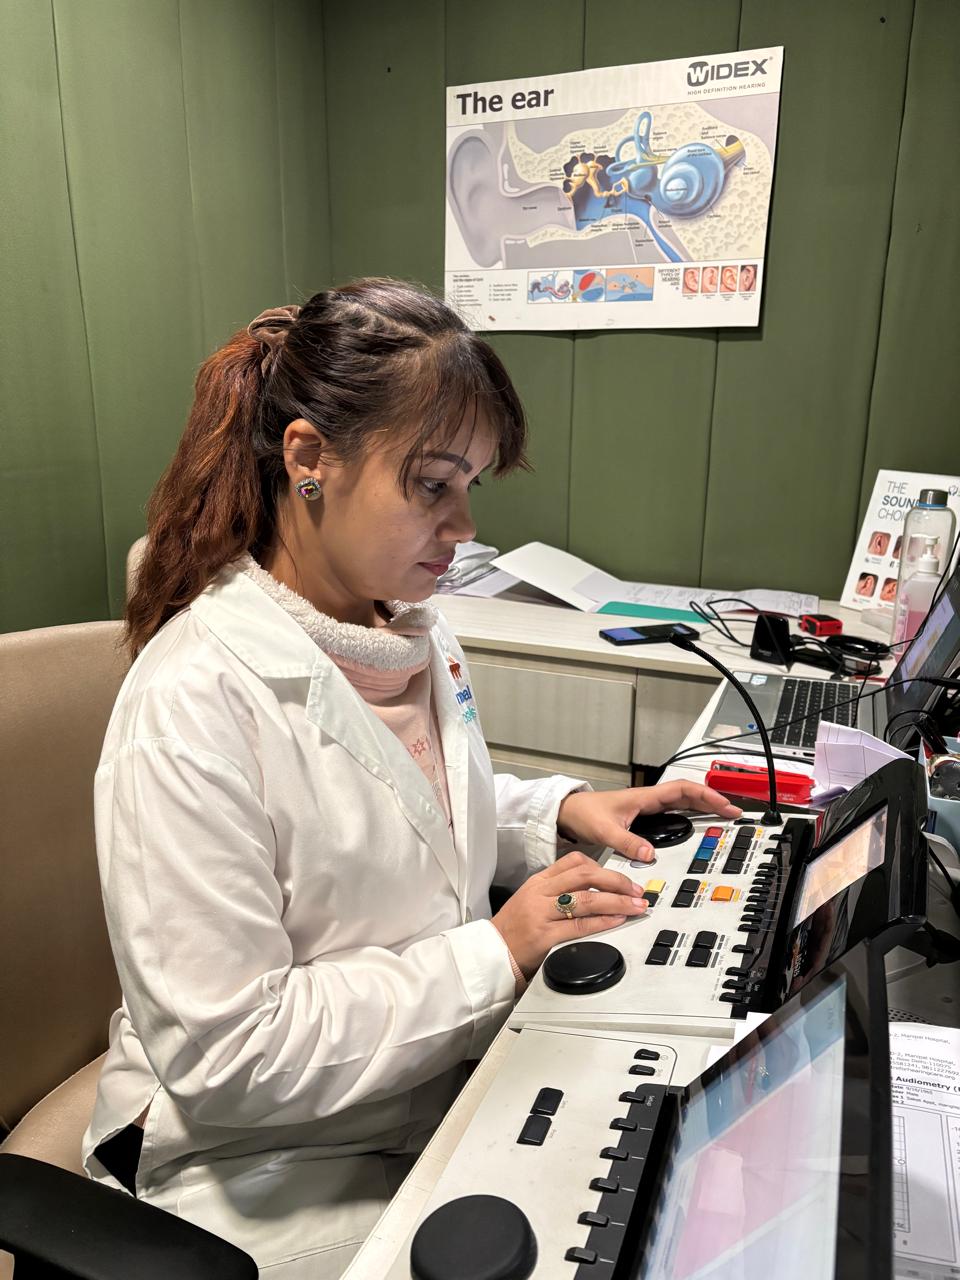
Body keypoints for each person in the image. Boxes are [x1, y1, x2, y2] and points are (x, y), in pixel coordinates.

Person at [81, 279, 739, 1277]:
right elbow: (227, 1056)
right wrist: (496, 952)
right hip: (251, 1163)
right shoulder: (190, 704)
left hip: (416, 1085)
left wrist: (555, 811)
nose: (464, 524)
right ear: (309, 458)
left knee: (645, 1166)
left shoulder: (402, 626)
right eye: (433, 484)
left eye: (472, 484)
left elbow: (409, 804)